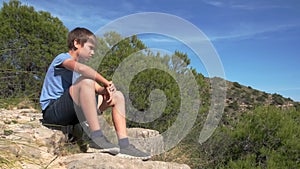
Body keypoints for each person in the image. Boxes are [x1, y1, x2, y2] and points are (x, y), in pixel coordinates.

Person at [39, 27, 151, 160]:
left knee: (118, 96)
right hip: (53, 113)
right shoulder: (63, 58)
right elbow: (83, 70)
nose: (92, 52)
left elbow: (98, 89)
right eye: (90, 48)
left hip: (74, 116)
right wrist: (106, 81)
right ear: (76, 43)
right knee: (85, 81)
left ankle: (125, 146)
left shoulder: (80, 74)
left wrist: (107, 90)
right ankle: (97, 138)